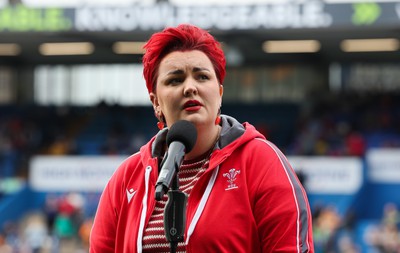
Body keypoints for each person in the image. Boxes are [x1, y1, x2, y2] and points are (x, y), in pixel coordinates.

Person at [90, 24, 314, 253]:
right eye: (175, 80)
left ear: (219, 93)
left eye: (202, 76)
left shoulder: (261, 162)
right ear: (156, 101)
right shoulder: (126, 178)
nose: (190, 87)